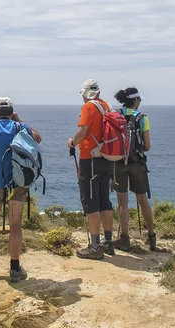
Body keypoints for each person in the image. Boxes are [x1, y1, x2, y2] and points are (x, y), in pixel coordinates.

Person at [0, 97, 42, 281]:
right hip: (17, 183)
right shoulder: (19, 126)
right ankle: (14, 269)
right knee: (16, 225)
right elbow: (38, 138)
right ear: (12, 112)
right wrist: (19, 121)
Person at [67, 79, 115, 260]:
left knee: (91, 201)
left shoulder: (89, 108)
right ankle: (108, 243)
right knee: (105, 200)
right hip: (107, 157)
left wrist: (72, 142)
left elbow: (82, 131)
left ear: (85, 93)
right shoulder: (107, 106)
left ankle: (95, 246)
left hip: (90, 158)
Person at [112, 87, 156, 252]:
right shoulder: (143, 118)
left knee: (122, 202)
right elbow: (147, 146)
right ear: (135, 100)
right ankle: (151, 237)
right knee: (142, 199)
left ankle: (124, 238)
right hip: (137, 163)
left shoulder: (115, 115)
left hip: (118, 163)